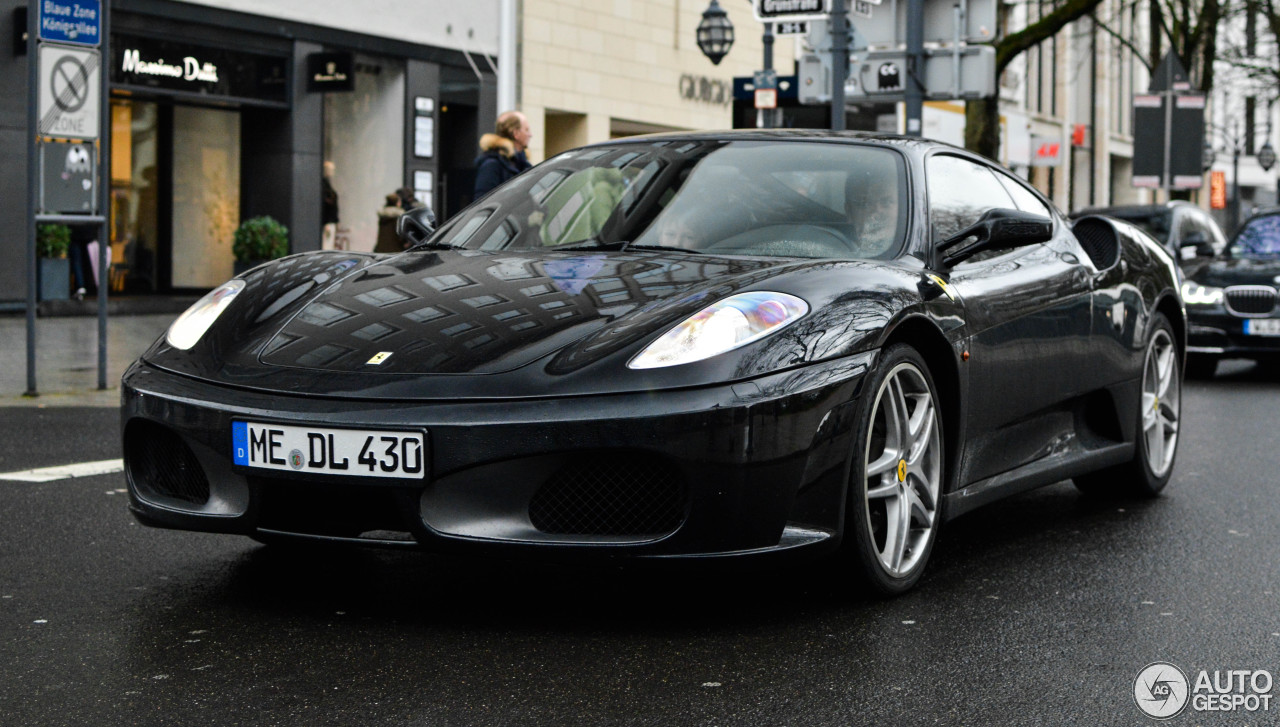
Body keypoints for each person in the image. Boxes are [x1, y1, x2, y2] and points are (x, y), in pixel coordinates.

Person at [474, 110, 532, 198]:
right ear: (516, 133)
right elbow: (483, 204)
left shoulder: (522, 164)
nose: (530, 134)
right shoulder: (492, 165)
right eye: (526, 130)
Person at [322, 160, 339, 248]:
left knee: (329, 244)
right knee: (327, 245)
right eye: (330, 169)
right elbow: (327, 203)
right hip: (328, 221)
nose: (332, 172)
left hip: (330, 221)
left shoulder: (327, 184)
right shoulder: (324, 185)